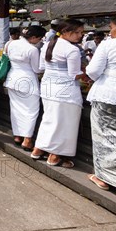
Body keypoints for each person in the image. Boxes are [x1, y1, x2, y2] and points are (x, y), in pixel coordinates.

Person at [85, 14, 116, 205]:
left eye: (111, 28)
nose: (109, 32)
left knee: (103, 137)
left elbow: (93, 71)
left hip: (109, 94)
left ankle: (103, 177)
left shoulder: (109, 44)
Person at [32, 19, 85, 168]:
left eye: (82, 33)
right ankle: (55, 156)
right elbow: (74, 74)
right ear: (67, 32)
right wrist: (88, 72)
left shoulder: (47, 45)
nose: (80, 36)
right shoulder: (72, 49)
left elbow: (41, 67)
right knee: (65, 124)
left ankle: (38, 149)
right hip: (66, 90)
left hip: (48, 87)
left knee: (49, 120)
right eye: (78, 32)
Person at [3, 26, 45, 151]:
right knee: (31, 111)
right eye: (39, 38)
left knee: (15, 109)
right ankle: (27, 139)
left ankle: (17, 136)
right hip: (27, 81)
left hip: (12, 79)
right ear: (33, 37)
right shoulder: (32, 49)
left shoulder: (11, 44)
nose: (40, 41)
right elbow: (37, 69)